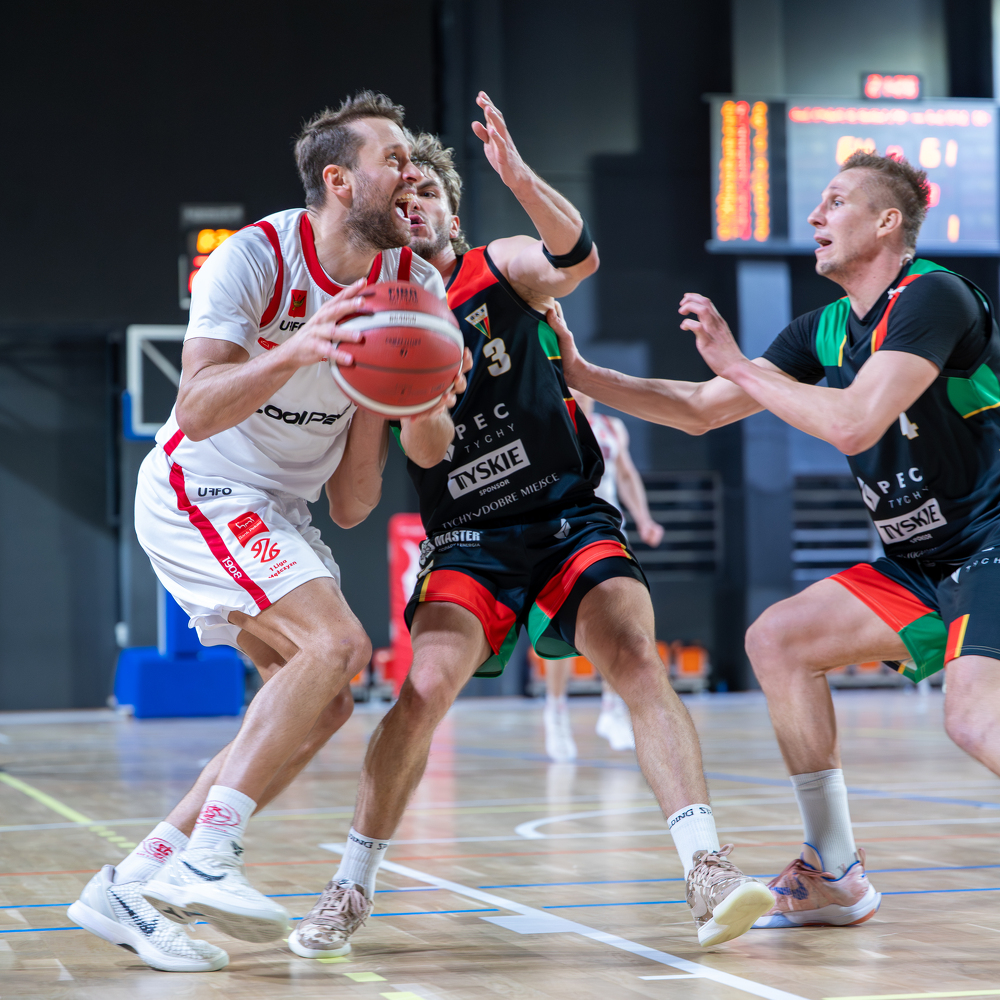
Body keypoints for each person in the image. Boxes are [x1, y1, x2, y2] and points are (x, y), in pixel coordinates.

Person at [288, 97, 772, 961]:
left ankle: (706, 867)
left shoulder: (497, 266)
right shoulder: (373, 320)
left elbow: (574, 257)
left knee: (634, 656)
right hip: (469, 535)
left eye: (429, 190)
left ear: (452, 214)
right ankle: (350, 886)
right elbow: (412, 463)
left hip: (564, 514)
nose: (414, 200)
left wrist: (517, 176)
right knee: (424, 689)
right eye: (401, 190)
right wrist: (420, 398)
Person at [68, 91, 466, 973]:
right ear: (340, 179)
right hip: (200, 483)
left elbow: (354, 504)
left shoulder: (416, 286)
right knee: (339, 644)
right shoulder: (255, 258)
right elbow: (195, 409)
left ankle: (133, 883)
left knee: (325, 698)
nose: (412, 173)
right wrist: (301, 348)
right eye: (394, 159)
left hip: (281, 509)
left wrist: (415, 400)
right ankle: (210, 854)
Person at [552, 149, 1000, 929]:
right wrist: (583, 374)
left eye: (836, 201)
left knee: (971, 718)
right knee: (778, 639)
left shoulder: (932, 296)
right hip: (923, 561)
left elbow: (856, 421)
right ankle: (835, 869)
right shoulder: (825, 328)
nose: (815, 216)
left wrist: (740, 364)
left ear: (887, 222)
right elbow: (702, 408)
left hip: (991, 538)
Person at [541, 391, 665, 761]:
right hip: (563, 536)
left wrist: (644, 518)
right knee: (561, 626)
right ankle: (556, 711)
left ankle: (612, 709)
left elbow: (625, 473)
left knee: (622, 620)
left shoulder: (613, 428)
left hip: (607, 534)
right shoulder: (548, 424)